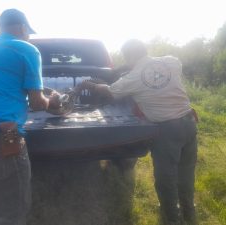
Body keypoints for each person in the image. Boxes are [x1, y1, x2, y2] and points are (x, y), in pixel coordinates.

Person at [77, 39, 198, 225]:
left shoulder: (133, 78)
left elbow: (111, 92)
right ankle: (190, 213)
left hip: (168, 130)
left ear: (129, 56)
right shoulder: (171, 61)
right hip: (189, 123)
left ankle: (172, 219)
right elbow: (171, 68)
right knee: (186, 172)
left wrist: (90, 85)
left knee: (166, 178)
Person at [0, 8, 63, 225]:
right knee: (11, 213)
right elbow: (37, 102)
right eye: (28, 32)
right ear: (23, 28)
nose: (29, 37)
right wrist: (52, 102)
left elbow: (4, 90)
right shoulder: (26, 49)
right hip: (3, 141)